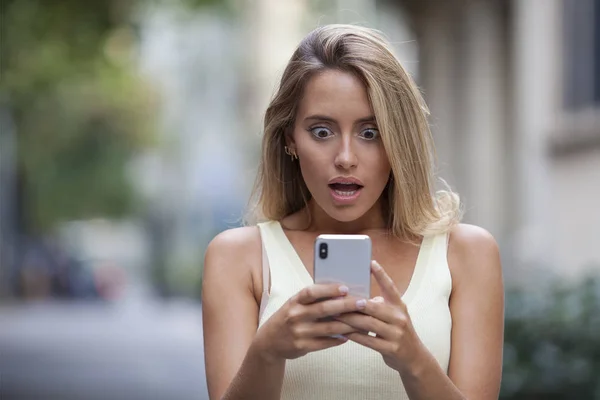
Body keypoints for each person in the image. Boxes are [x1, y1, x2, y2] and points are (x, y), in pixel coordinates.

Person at [202, 24, 504, 400]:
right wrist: (268, 351)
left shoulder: (466, 253)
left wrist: (413, 358)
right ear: (289, 141)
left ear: (399, 140)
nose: (345, 158)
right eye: (322, 132)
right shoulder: (238, 258)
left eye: (370, 133)